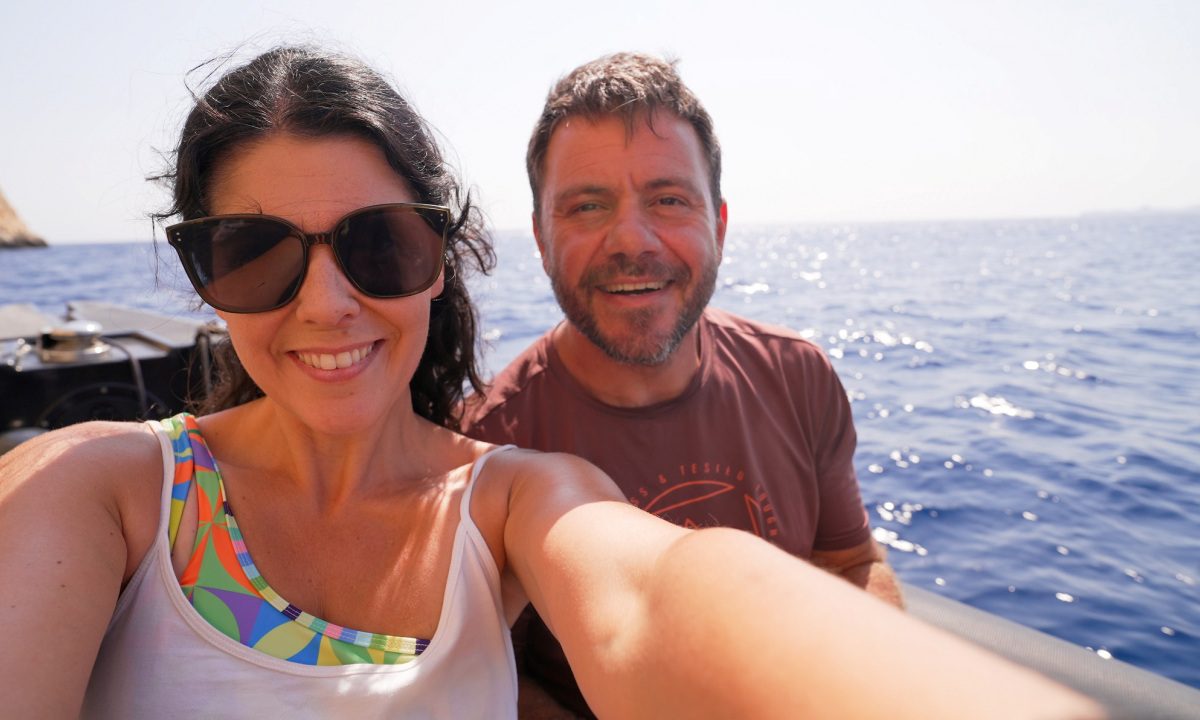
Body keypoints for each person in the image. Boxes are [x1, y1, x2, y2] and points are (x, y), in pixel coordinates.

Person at [0, 45, 1099, 720]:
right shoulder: (105, 492)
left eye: (379, 245)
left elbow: (654, 599)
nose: (327, 302)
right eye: (254, 251)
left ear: (440, 257)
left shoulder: (514, 492)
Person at [461, 52, 900, 717]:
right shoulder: (486, 443)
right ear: (542, 240)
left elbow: (850, 563)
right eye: (587, 206)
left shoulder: (797, 375)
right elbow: (491, 677)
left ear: (718, 226)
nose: (631, 240)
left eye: (668, 200)